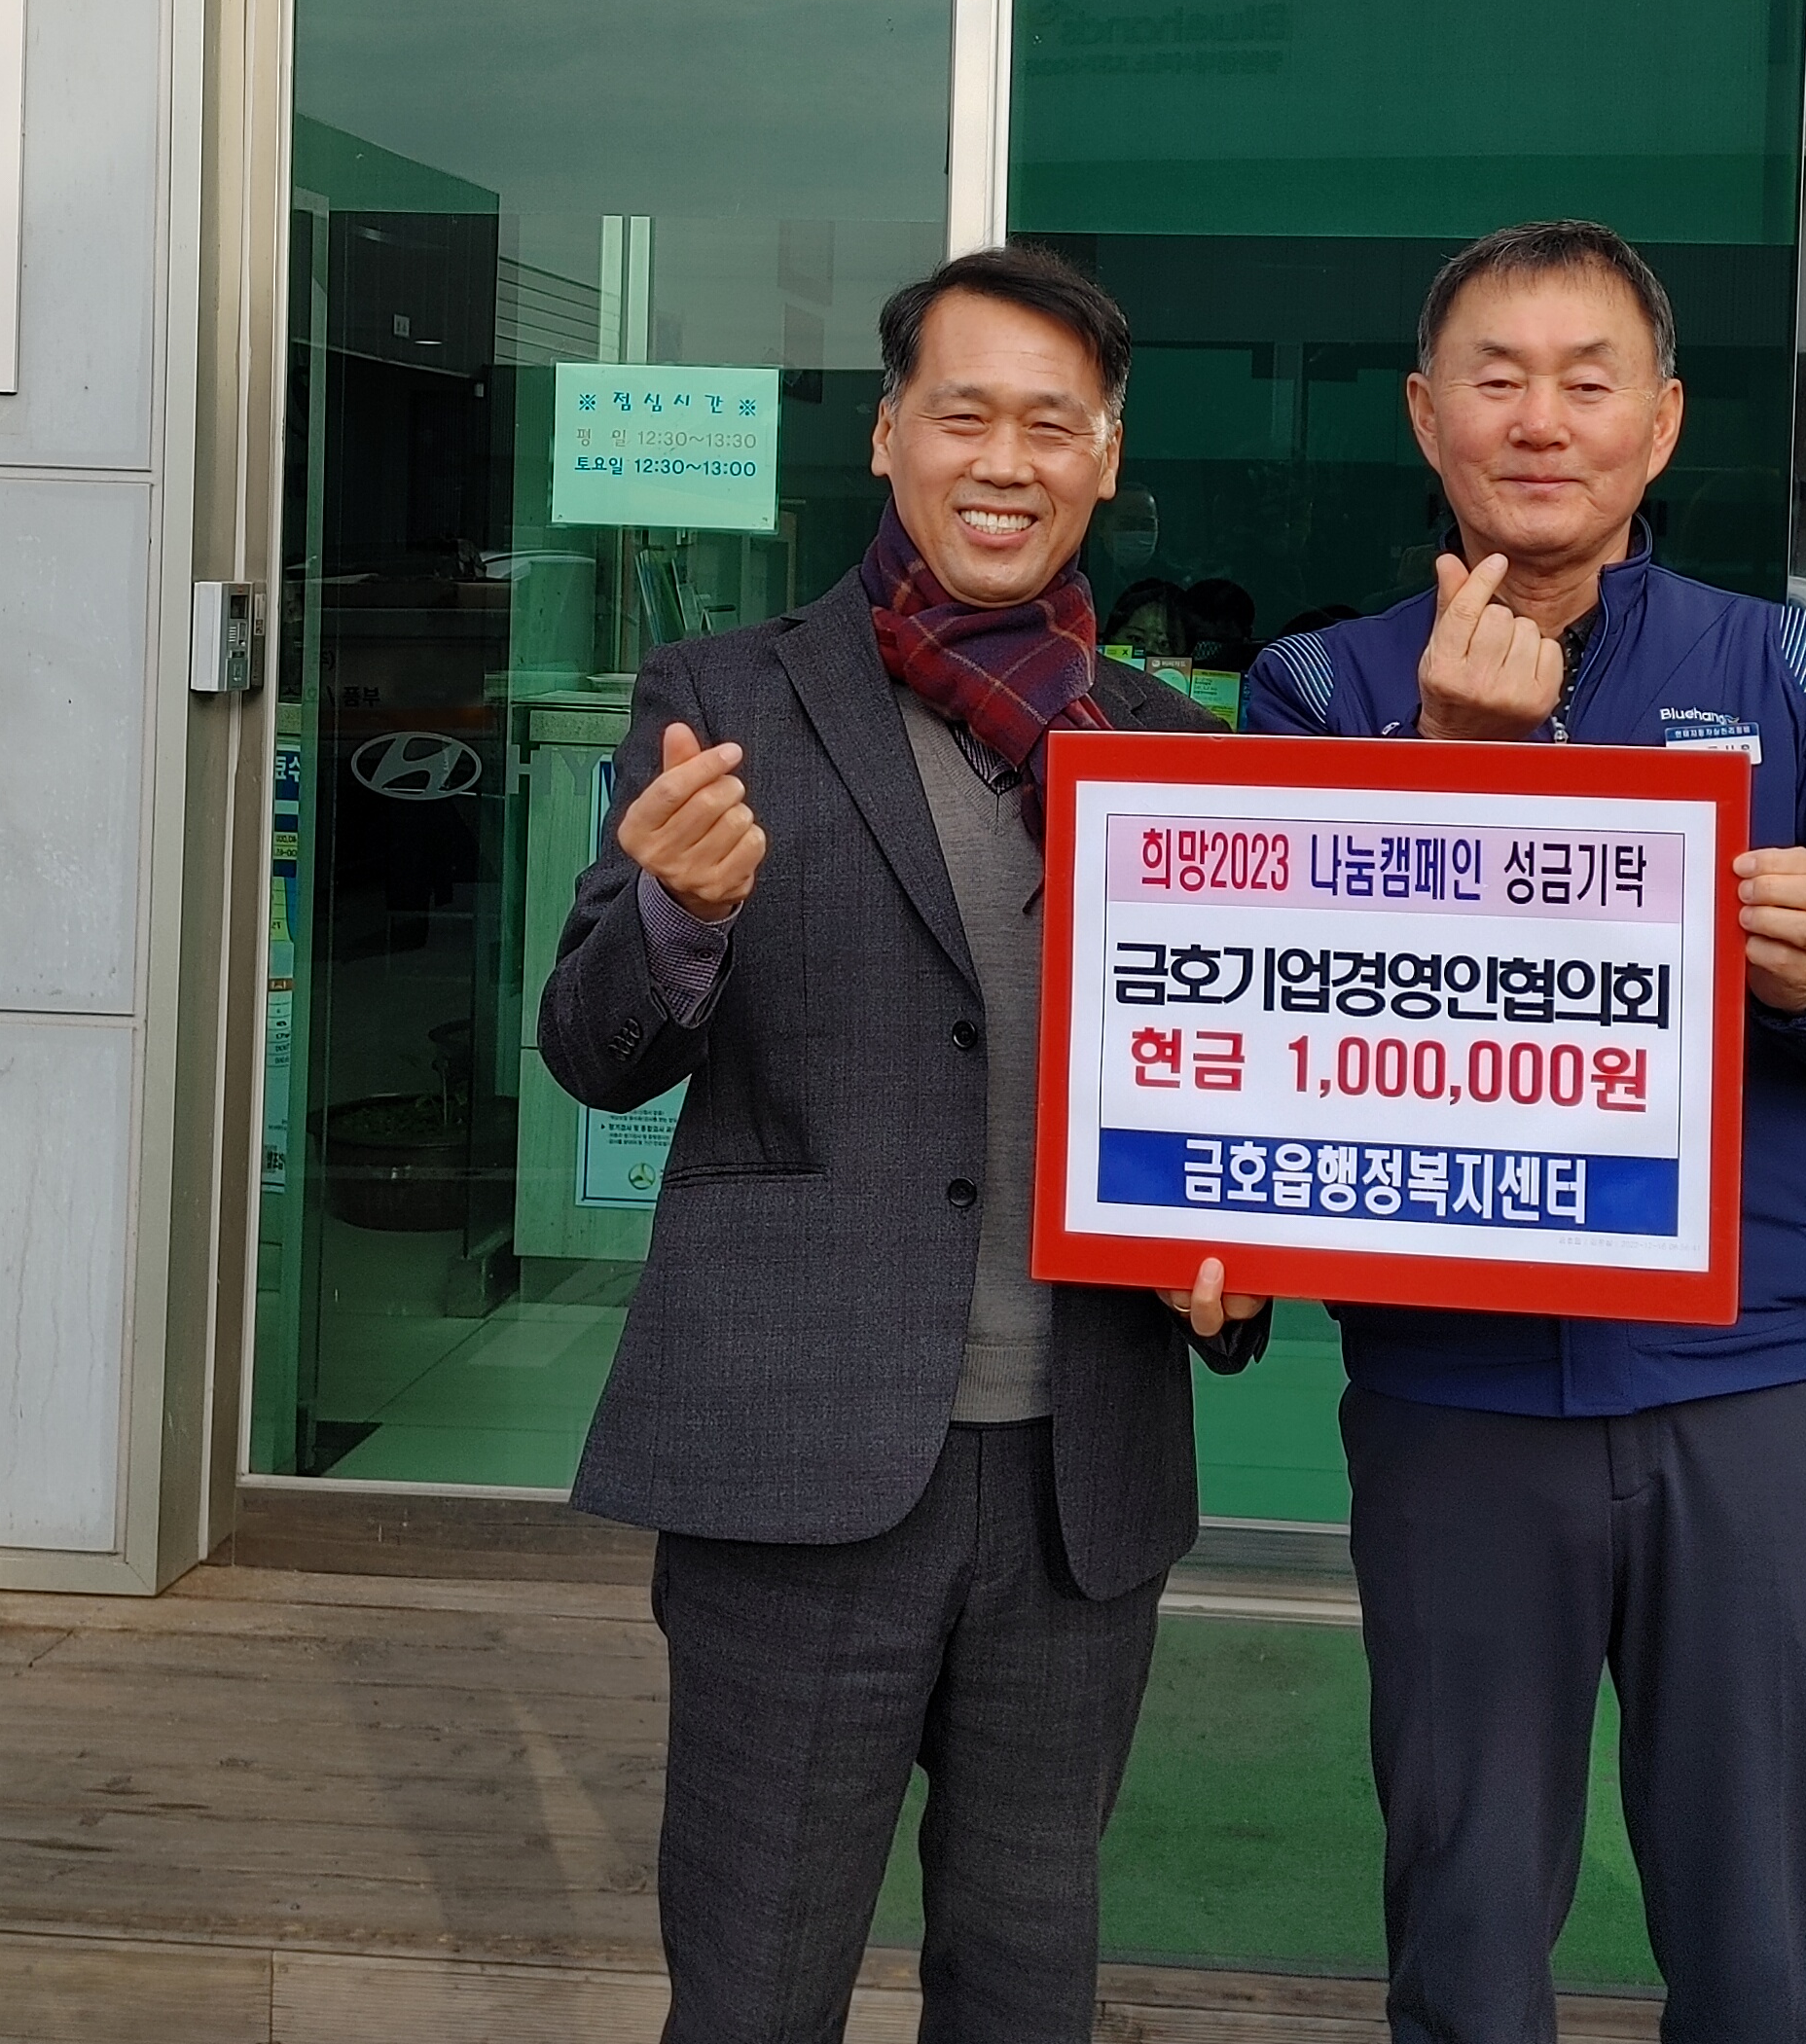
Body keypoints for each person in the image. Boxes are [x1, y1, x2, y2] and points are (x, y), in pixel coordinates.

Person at [1243, 219, 1806, 2044]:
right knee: (1466, 1901)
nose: (1541, 420)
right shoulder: (1322, 687)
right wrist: (1445, 771)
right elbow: (1278, 1007)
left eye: (1589, 383)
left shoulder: (1793, 673)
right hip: (1454, 1387)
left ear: (1659, 427)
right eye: (1496, 379)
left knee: (1758, 1916)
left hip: (1752, 1375)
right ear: (1425, 416)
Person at [538, 242, 1269, 2044]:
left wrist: (1236, 1271)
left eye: (1052, 423)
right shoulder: (727, 696)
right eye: (963, 414)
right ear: (887, 436)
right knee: (755, 1985)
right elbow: (591, 1052)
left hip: (1081, 1480)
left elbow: (1237, 1105)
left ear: (1107, 457)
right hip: (794, 1456)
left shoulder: (1176, 749)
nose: (1004, 460)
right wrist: (675, 918)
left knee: (1027, 1981)